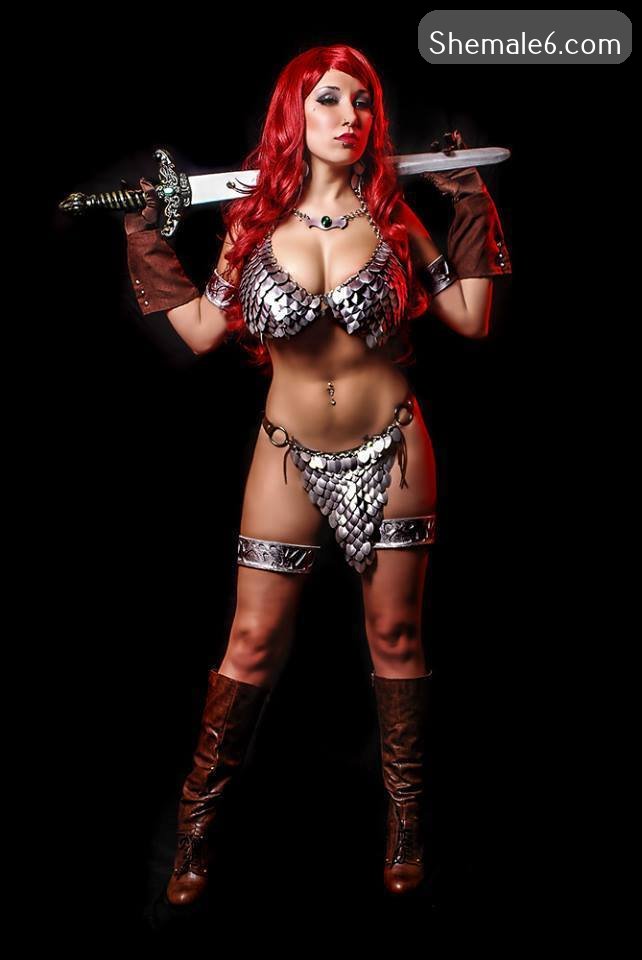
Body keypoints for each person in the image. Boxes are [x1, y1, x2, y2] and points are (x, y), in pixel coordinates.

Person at [124, 43, 512, 910]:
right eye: (330, 99)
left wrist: (468, 204)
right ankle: (194, 830)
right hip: (287, 452)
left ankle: (406, 826)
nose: (350, 117)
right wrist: (146, 238)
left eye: (363, 102)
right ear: (293, 114)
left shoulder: (396, 218)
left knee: (397, 637)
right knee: (252, 641)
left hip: (393, 445)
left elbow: (471, 317)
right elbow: (201, 331)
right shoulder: (252, 225)